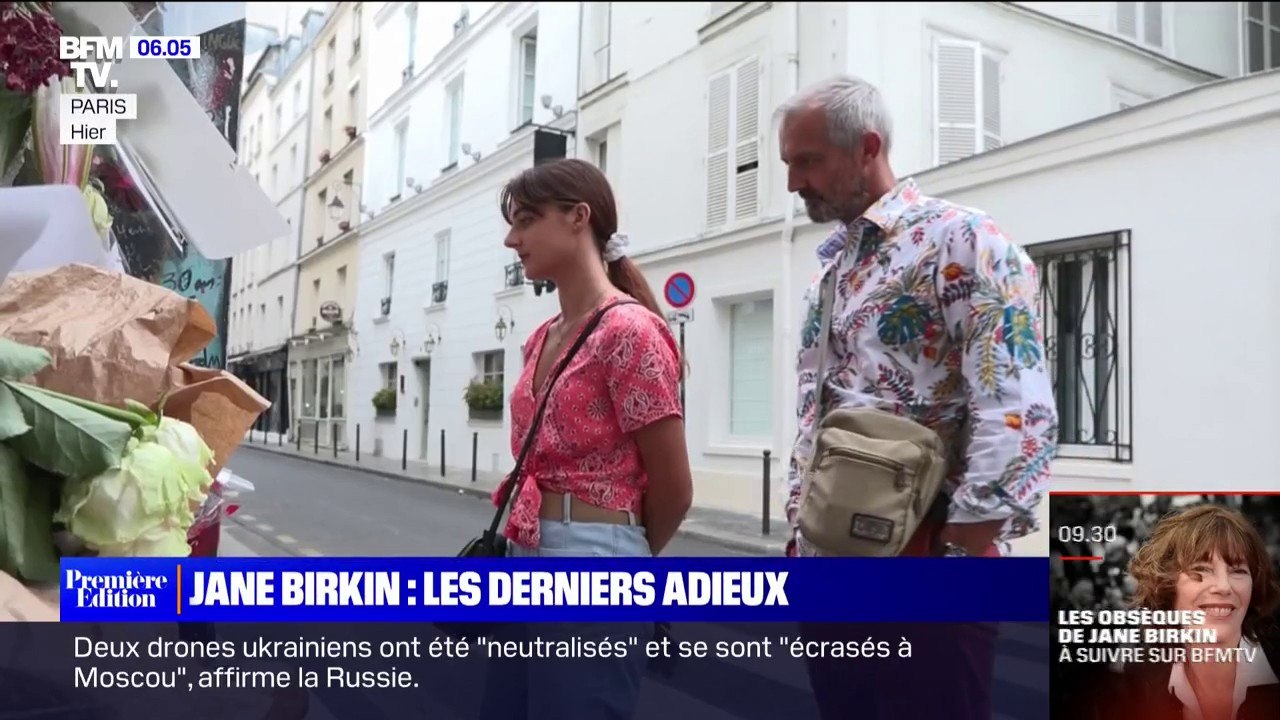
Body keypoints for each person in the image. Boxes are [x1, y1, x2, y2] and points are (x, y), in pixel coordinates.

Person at [775, 75, 1058, 718]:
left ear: (867, 147)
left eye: (808, 161)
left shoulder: (962, 240)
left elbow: (1019, 410)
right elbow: (817, 414)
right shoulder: (831, 269)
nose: (793, 182)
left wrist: (954, 562)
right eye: (789, 163)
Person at [478, 158, 694, 720]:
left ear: (579, 217)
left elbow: (674, 488)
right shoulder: (539, 338)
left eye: (526, 220)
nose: (512, 239)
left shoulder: (630, 331)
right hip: (524, 554)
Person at [1115, 504, 1280, 720]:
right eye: (1201, 570)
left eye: (1238, 571)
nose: (1223, 586)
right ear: (1167, 586)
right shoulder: (1139, 679)